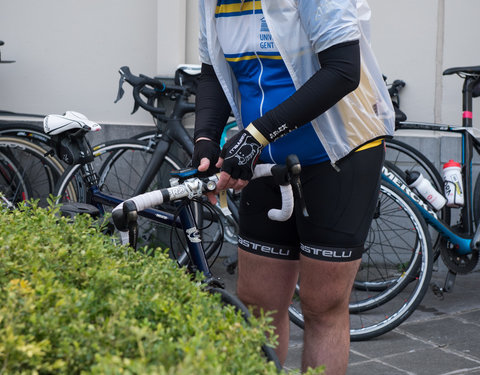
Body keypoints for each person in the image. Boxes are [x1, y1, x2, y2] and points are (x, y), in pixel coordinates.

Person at [192, 0, 395, 373]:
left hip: (339, 155)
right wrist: (205, 140)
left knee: (323, 305)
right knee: (257, 301)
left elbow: (343, 70)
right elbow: (212, 72)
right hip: (266, 160)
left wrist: (254, 135)